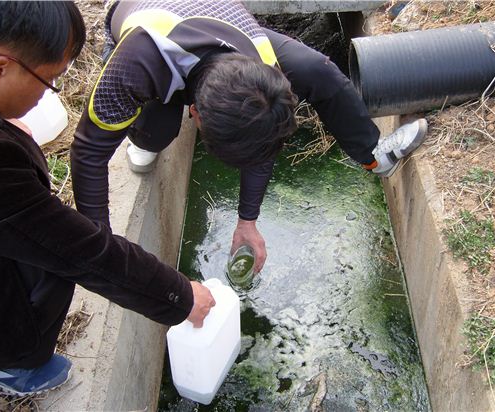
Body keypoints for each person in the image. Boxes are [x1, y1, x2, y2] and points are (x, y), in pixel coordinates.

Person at [71, 0, 428, 275]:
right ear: (195, 113)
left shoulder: (262, 70)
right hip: (143, 19)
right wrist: (101, 245)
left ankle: (372, 155)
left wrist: (247, 221)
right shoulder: (135, 65)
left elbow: (262, 138)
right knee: (155, 136)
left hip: (215, 23)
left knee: (317, 70)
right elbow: (88, 150)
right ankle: (145, 134)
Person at [0, 1, 215, 397]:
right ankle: (9, 366)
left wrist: (0, 121)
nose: (45, 97)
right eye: (48, 80)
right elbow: (82, 251)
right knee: (49, 265)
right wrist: (180, 296)